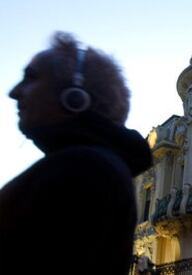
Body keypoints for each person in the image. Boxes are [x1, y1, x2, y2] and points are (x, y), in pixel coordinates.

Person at [0, 32, 152, 275]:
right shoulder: (98, 166)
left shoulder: (82, 169)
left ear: (75, 95)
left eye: (31, 78)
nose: (14, 92)